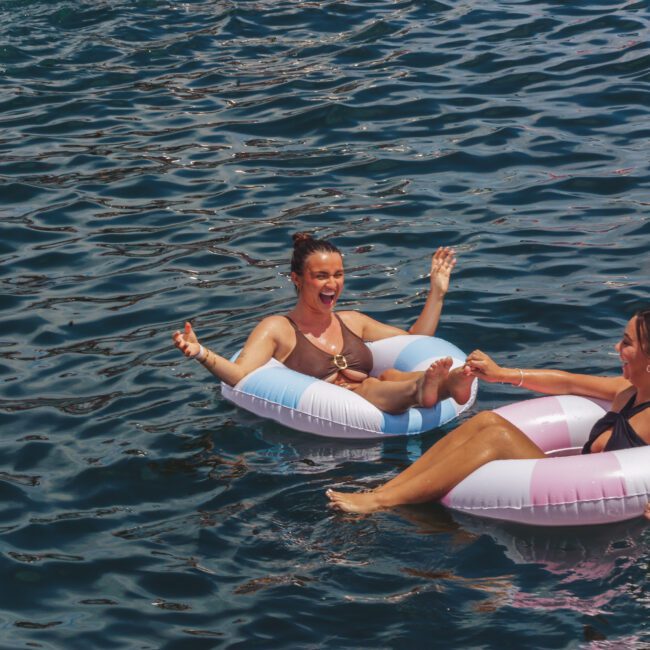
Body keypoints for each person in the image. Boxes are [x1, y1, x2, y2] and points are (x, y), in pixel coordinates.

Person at [326, 308, 650, 513]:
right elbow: (567, 382)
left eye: (626, 343)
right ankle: (386, 489)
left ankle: (383, 502)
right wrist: (501, 374)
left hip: (590, 495)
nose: (617, 349)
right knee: (487, 420)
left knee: (497, 435)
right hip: (573, 475)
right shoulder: (626, 392)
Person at [172, 233, 474, 414]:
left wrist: (437, 291)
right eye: (321, 276)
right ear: (297, 279)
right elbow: (240, 376)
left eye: (339, 274)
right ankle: (429, 388)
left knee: (392, 374)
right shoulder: (277, 328)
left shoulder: (353, 321)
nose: (333, 284)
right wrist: (201, 353)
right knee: (368, 389)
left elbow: (416, 341)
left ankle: (441, 386)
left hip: (380, 391)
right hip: (349, 409)